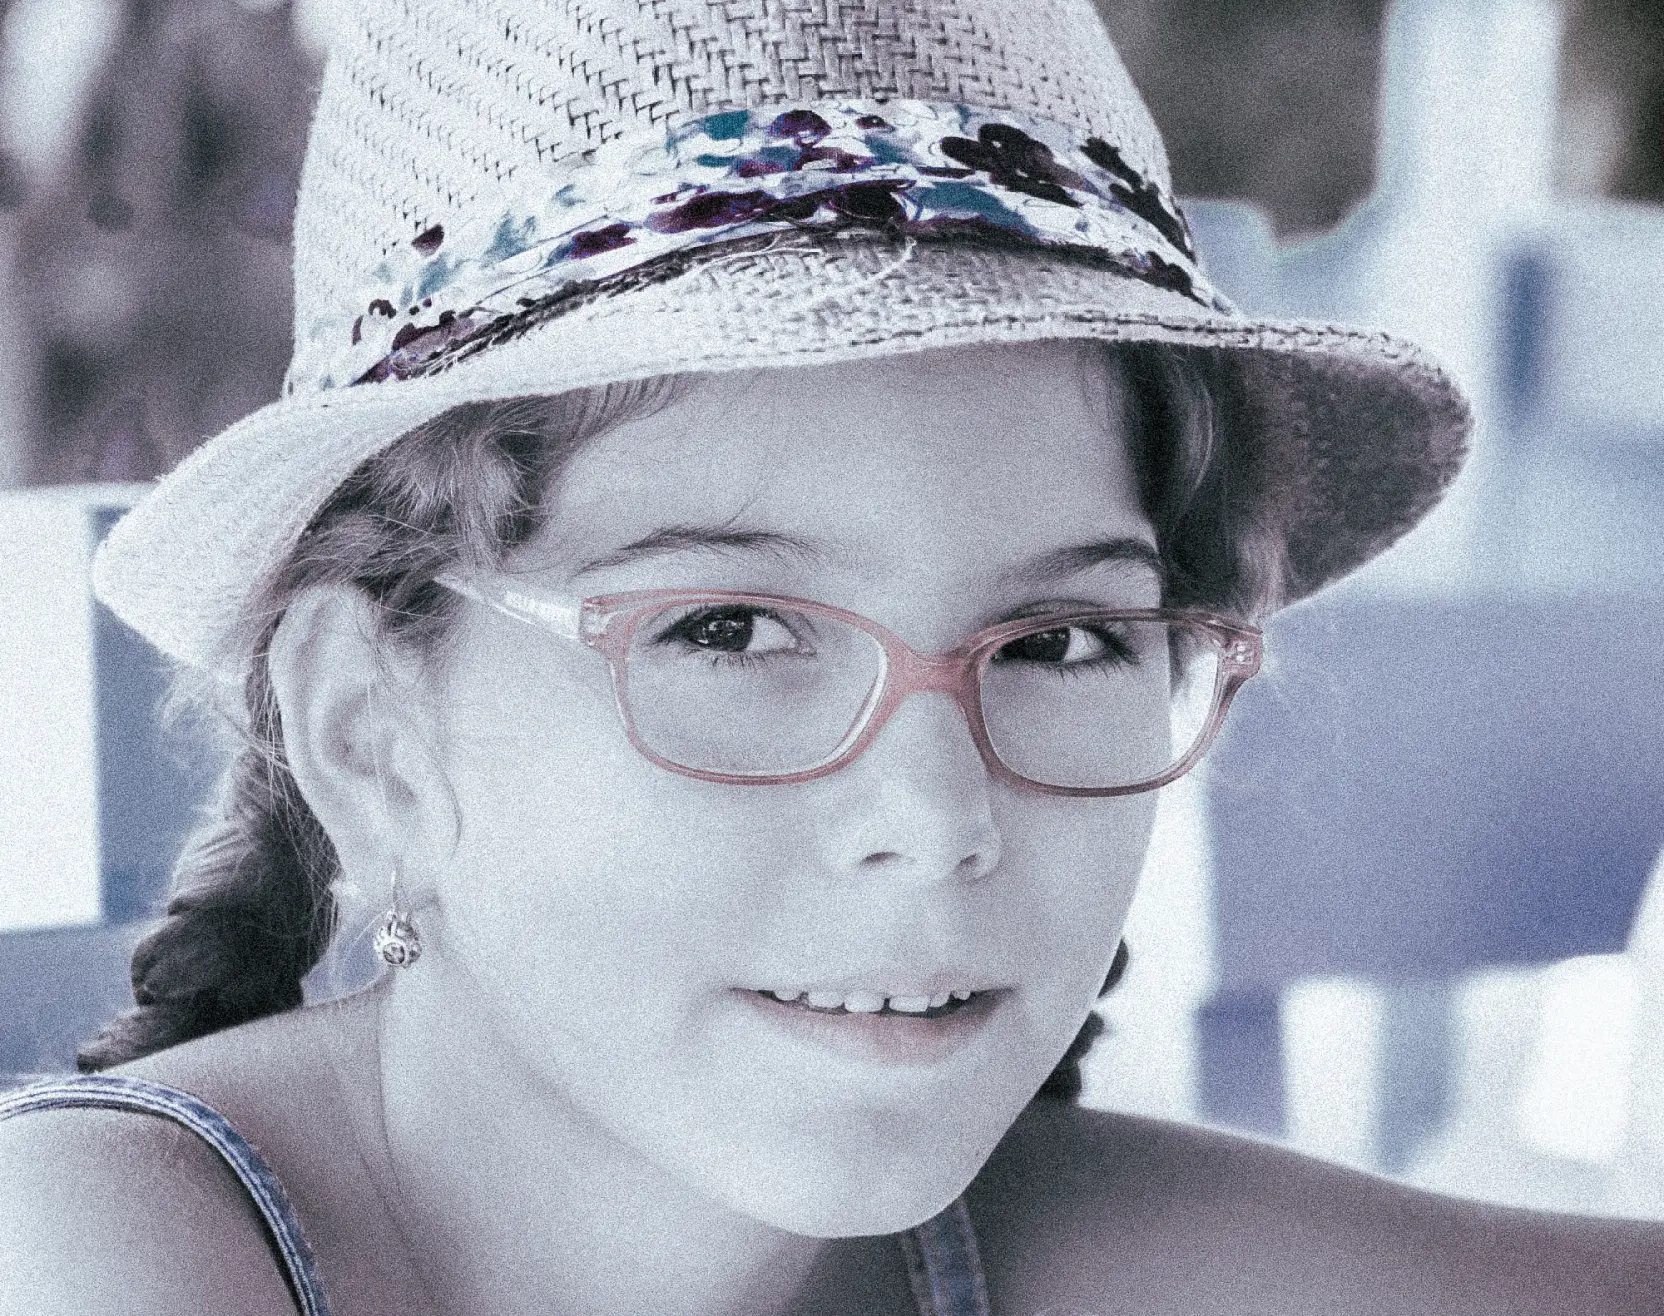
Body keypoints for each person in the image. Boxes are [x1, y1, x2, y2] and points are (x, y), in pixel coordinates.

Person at [0, 1, 1657, 1313]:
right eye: (728, 629)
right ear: (369, 737)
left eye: (1061, 638)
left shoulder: (1017, 1236)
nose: (939, 819)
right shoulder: (84, 1257)